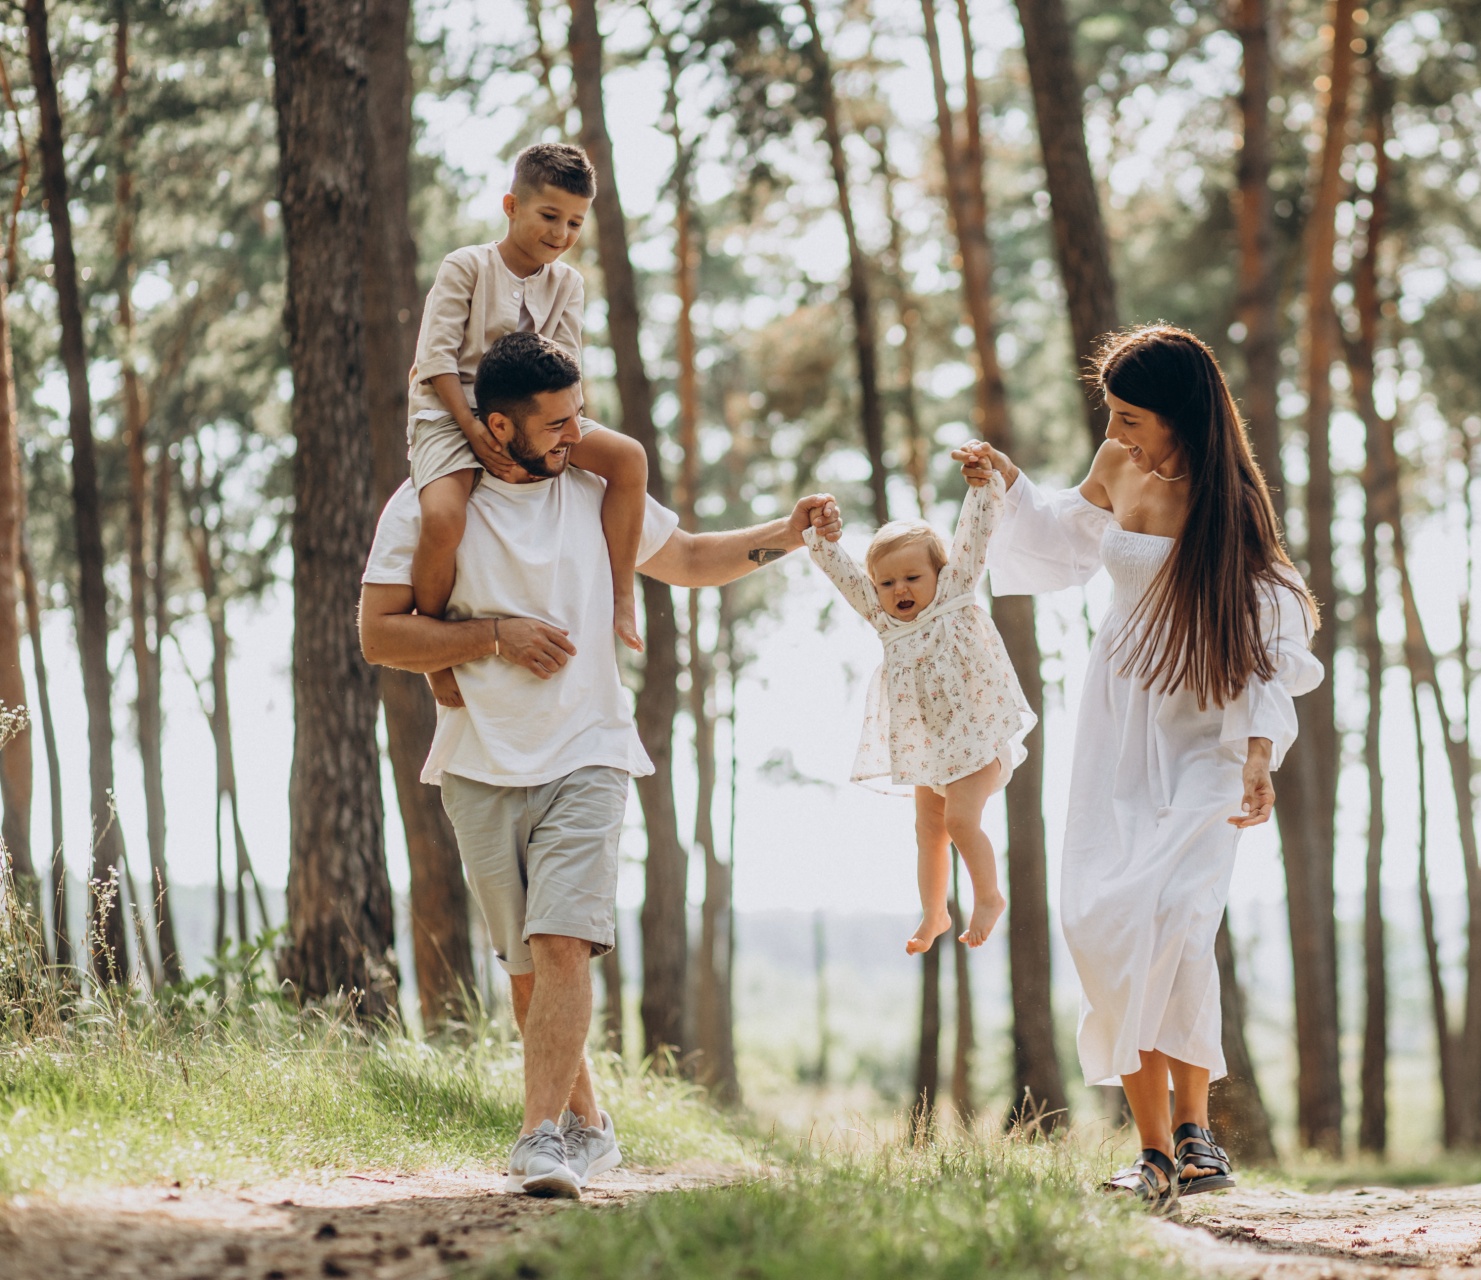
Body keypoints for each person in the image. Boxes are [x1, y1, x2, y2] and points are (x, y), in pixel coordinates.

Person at [359, 333, 842, 1198]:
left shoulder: (590, 487)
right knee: (524, 970)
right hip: (479, 761)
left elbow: (688, 558)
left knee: (562, 943)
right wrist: (495, 636)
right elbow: (381, 633)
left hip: (589, 748)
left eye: (580, 415)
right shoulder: (430, 503)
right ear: (496, 426)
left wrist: (786, 535)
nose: (574, 435)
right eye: (555, 424)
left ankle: (540, 1137)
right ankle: (588, 1125)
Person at [956, 324, 1322, 1210]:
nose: (1116, 431)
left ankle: (1184, 1141)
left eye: (1131, 417)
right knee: (1104, 917)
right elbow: (1064, 541)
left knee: (1175, 917)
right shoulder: (1117, 465)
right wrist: (1008, 486)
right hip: (1118, 724)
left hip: (1207, 737)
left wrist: (1260, 753)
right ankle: (1164, 1148)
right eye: (1111, 414)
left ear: (1182, 418)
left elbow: (1277, 636)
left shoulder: (1231, 506)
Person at [406, 142, 648, 708]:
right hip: (451, 411)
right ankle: (436, 654)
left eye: (574, 223)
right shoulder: (466, 266)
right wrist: (474, 432)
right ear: (511, 205)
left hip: (539, 413)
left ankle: (624, 595)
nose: (561, 233)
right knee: (442, 519)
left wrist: (563, 429)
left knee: (630, 457)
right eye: (549, 216)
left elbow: (567, 364)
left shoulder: (567, 284)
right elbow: (436, 358)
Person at [803, 474, 1034, 955]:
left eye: (912, 577)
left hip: (976, 741)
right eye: (887, 582)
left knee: (961, 821)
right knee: (928, 831)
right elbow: (844, 575)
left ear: (939, 573)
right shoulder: (884, 619)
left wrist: (980, 483)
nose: (900, 589)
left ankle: (989, 895)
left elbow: (975, 533)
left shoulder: (954, 592)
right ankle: (935, 912)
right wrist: (821, 539)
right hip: (932, 753)